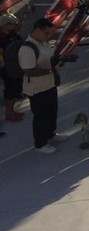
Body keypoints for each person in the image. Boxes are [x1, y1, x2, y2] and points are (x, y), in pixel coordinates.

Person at [12, 17, 64, 153]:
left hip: (49, 84)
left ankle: (50, 134)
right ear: (37, 30)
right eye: (46, 33)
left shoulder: (44, 43)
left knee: (52, 112)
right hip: (36, 88)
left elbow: (49, 59)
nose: (49, 36)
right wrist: (50, 70)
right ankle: (40, 143)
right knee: (41, 116)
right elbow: (29, 70)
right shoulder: (27, 48)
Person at [1, 12, 25, 125]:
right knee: (10, 91)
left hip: (16, 65)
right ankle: (9, 113)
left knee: (16, 89)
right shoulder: (1, 38)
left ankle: (12, 110)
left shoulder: (11, 34)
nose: (13, 25)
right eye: (10, 24)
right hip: (7, 68)